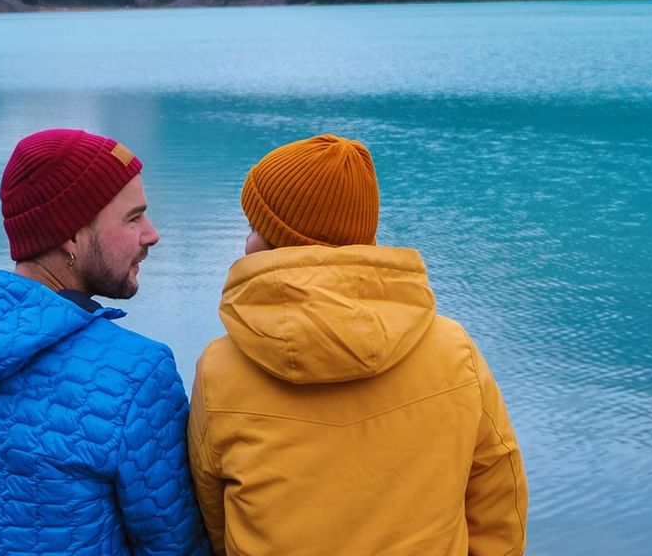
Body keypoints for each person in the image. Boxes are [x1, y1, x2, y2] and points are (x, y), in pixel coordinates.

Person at [188, 134, 528, 556]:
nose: (247, 241)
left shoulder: (221, 368)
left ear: (281, 237)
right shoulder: (453, 350)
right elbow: (498, 495)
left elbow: (213, 511)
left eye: (255, 226)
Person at [0, 128, 209, 556]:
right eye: (133, 218)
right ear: (70, 236)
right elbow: (174, 545)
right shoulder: (136, 374)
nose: (152, 234)